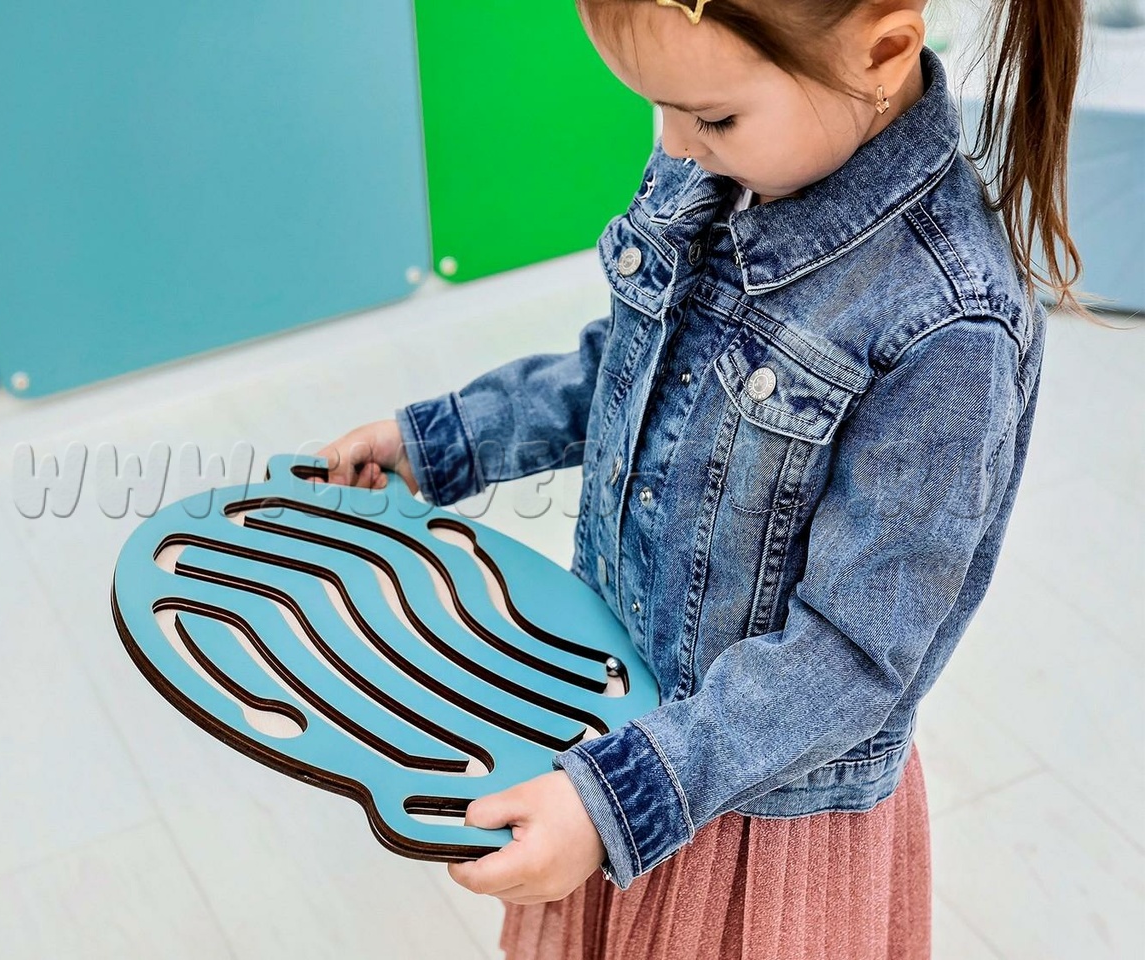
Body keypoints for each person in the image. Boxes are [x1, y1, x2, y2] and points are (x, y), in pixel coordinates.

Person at [316, 0, 1087, 956]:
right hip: (608, 730)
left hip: (755, 818)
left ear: (881, 52)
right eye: (661, 109)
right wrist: (438, 439)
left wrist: (620, 803)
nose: (678, 145)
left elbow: (854, 654)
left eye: (712, 117)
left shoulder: (950, 325)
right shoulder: (721, 165)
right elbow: (625, 369)